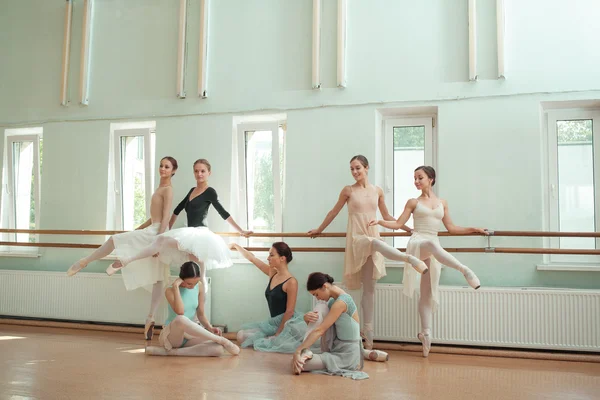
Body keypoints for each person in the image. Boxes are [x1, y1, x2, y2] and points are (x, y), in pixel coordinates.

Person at [308, 155, 426, 349]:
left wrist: (409, 230)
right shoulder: (348, 191)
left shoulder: (377, 191)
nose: (355, 172)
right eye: (352, 169)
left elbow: (387, 217)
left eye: (358, 168)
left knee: (369, 289)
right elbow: (334, 212)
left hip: (372, 234)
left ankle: (368, 335)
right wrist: (319, 229)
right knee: (372, 242)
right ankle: (408, 258)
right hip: (357, 238)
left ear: (366, 168)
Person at [369, 165, 487, 357]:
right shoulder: (413, 202)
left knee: (427, 292)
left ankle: (426, 335)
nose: (416, 181)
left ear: (431, 179)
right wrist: (380, 221)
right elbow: (398, 224)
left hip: (435, 247)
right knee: (431, 246)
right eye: (414, 178)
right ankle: (463, 269)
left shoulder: (442, 202)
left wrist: (475, 229)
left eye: (420, 178)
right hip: (418, 244)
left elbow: (452, 228)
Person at [66, 156, 178, 340]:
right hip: (153, 230)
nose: (162, 169)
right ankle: (149, 319)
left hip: (157, 233)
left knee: (157, 275)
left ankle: (85, 261)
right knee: (157, 276)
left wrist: (159, 240)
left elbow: (165, 218)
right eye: (161, 165)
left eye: (167, 167)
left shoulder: (168, 190)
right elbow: (154, 217)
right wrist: (137, 230)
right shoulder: (160, 188)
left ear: (173, 171)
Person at [232, 242, 313, 353]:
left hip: (287, 325)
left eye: (271, 255)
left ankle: (279, 339)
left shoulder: (291, 282)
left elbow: (289, 311)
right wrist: (236, 245)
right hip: (272, 324)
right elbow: (252, 258)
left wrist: (278, 334)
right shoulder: (273, 273)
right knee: (241, 335)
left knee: (243, 337)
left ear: (282, 258)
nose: (268, 258)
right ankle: (270, 338)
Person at [145, 261, 240, 357]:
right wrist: (175, 287)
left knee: (218, 349)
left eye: (195, 283)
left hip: (190, 335)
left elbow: (201, 314)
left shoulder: (199, 286)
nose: (193, 286)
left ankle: (172, 352)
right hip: (172, 335)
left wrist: (209, 327)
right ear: (181, 279)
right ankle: (221, 340)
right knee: (180, 319)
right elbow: (180, 311)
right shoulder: (170, 290)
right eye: (189, 283)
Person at [292, 272, 368, 380]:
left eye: (316, 294)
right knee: (320, 307)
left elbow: (320, 330)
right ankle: (366, 353)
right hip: (336, 346)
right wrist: (306, 318)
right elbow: (319, 325)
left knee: (299, 364)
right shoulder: (333, 300)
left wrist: (298, 350)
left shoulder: (341, 302)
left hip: (346, 354)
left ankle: (362, 354)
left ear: (324, 286)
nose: (317, 298)